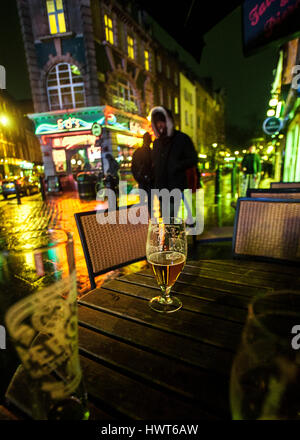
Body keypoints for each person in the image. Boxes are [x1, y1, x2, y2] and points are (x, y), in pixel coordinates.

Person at [150, 106, 199, 222]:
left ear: (168, 121)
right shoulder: (157, 143)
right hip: (162, 189)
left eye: (162, 121)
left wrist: (177, 165)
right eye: (157, 123)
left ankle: (176, 238)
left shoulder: (182, 139)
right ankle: (171, 239)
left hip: (176, 186)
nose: (159, 125)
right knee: (167, 220)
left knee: (171, 220)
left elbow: (193, 159)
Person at [131, 132, 153, 214]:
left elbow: (133, 168)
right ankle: (151, 221)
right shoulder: (152, 152)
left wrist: (138, 178)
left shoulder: (138, 152)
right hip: (150, 182)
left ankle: (146, 221)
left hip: (143, 181)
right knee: (150, 204)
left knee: (144, 204)